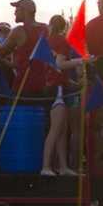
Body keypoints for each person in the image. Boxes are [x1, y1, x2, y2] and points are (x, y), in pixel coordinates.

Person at [41, 14, 86, 176]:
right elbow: (60, 64)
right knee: (55, 129)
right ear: (64, 28)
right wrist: (80, 61)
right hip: (57, 89)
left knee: (62, 129)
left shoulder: (46, 41)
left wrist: (74, 85)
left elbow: (55, 68)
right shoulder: (61, 41)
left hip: (52, 85)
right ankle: (46, 166)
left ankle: (63, 166)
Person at [0, 0, 48, 96]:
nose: (14, 13)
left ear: (25, 11)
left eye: (17, 10)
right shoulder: (45, 28)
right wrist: (9, 31)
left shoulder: (18, 31)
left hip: (24, 85)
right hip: (44, 84)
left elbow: (2, 52)